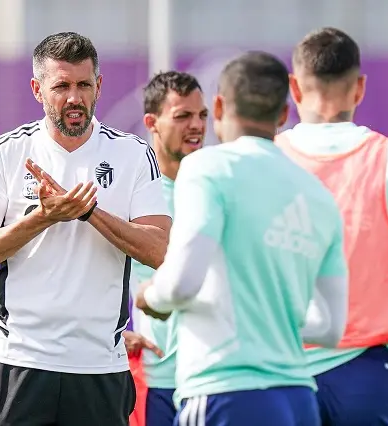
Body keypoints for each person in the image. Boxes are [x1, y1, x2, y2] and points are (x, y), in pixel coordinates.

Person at [0, 32, 172, 426]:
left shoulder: (133, 154)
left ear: (99, 86)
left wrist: (89, 213)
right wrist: (42, 217)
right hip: (20, 360)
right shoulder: (6, 152)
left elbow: (160, 251)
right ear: (37, 90)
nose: (74, 97)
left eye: (84, 85)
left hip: (99, 366)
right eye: (61, 87)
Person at [134, 51, 349, 426]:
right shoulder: (316, 194)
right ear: (283, 114)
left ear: (218, 107)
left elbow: (182, 285)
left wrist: (149, 296)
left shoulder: (206, 168)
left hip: (225, 392)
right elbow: (331, 328)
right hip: (299, 398)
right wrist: (268, 320)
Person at [275, 27, 388, 425]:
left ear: (294, 87)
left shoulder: (265, 160)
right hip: (365, 374)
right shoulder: (384, 159)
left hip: (276, 369)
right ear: (359, 88)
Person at [124, 71, 207, 426]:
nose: (197, 125)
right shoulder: (133, 195)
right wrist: (110, 335)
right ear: (151, 123)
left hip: (213, 377)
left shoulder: (216, 188)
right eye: (183, 116)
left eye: (202, 115)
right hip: (157, 380)